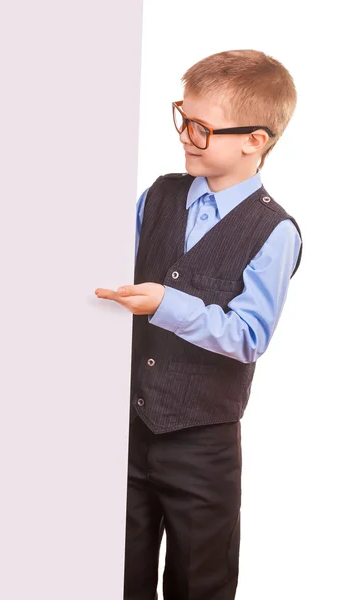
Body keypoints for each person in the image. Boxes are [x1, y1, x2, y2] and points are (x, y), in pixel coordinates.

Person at [95, 49, 303, 600]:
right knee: (116, 574)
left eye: (201, 127)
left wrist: (168, 302)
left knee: (198, 584)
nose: (185, 134)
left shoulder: (274, 232)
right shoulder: (157, 197)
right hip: (128, 430)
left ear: (254, 140)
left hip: (202, 447)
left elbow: (249, 336)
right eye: (181, 117)